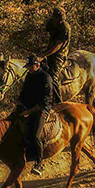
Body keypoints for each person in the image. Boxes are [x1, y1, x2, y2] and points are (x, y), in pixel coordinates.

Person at [13, 43, 65, 176]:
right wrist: (19, 105)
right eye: (28, 67)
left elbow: (45, 100)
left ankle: (39, 163)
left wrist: (28, 112)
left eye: (30, 67)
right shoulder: (29, 76)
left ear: (37, 65)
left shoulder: (46, 78)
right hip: (29, 106)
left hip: (42, 109)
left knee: (36, 134)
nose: (29, 69)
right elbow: (24, 93)